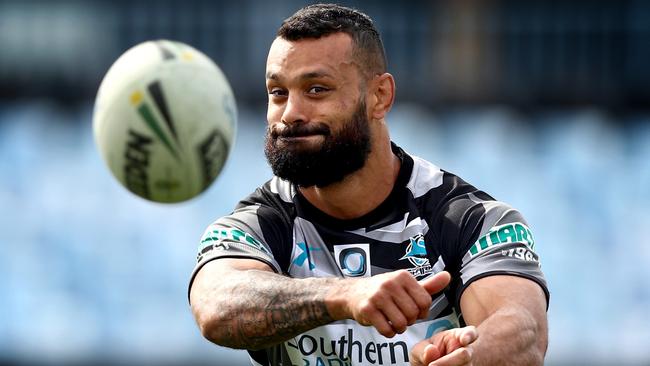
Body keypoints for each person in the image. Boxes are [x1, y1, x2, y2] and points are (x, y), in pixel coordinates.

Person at [189, 4, 549, 366]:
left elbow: (523, 331)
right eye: (278, 92)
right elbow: (216, 305)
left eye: (316, 90)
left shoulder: (470, 220)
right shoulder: (261, 221)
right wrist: (345, 296)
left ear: (380, 96)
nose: (290, 113)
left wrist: (469, 355)